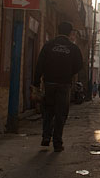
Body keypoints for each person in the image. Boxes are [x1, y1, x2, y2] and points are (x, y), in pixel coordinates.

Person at [32, 21, 83, 152]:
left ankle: (46, 136)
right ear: (70, 33)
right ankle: (57, 142)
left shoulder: (48, 46)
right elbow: (79, 65)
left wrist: (36, 82)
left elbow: (40, 64)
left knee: (48, 110)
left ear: (57, 30)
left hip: (49, 83)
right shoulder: (73, 48)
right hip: (64, 84)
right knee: (61, 113)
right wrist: (69, 72)